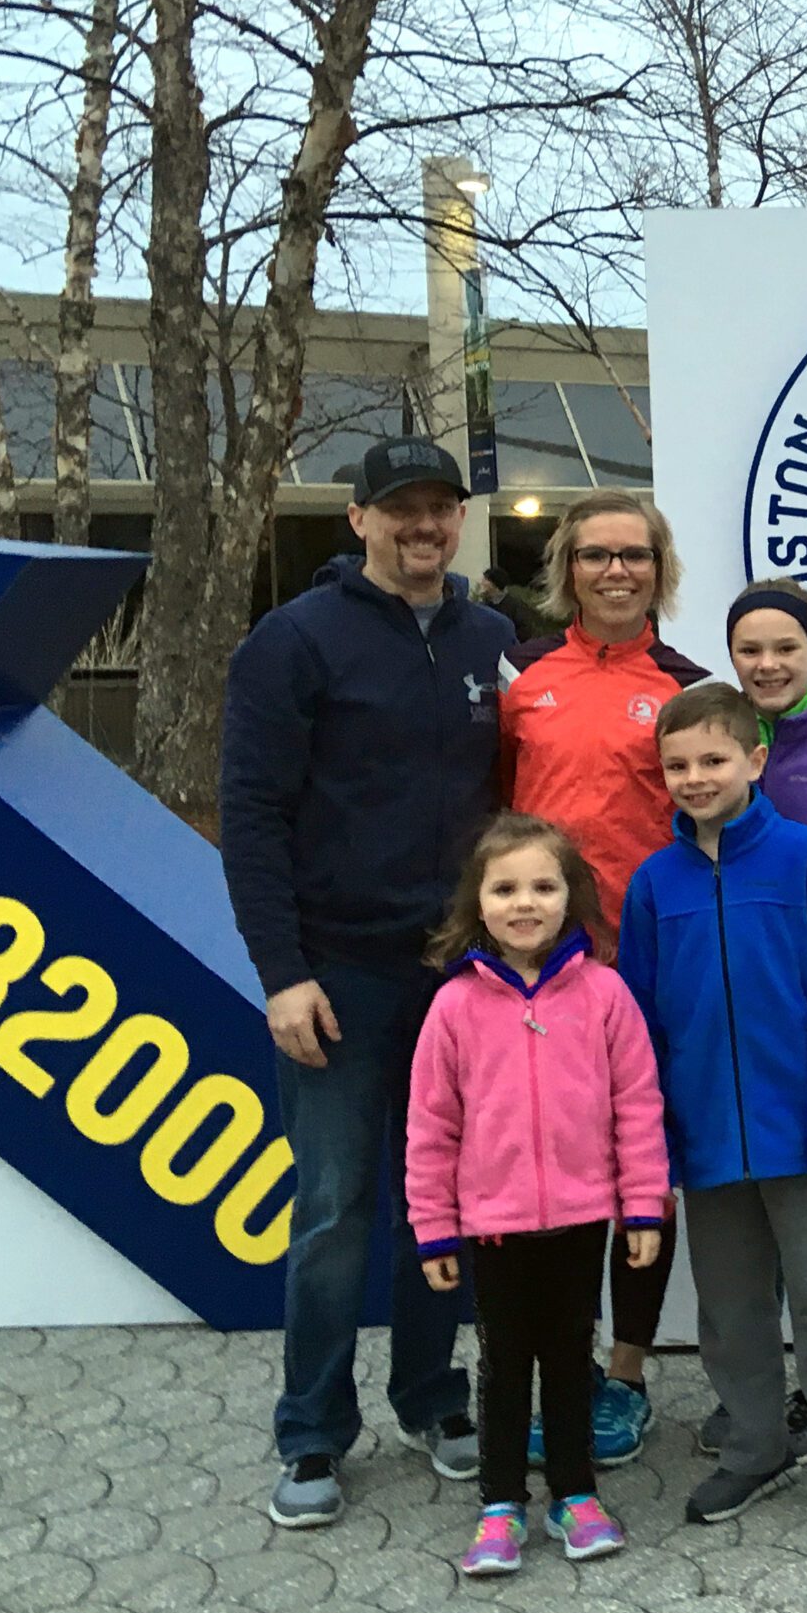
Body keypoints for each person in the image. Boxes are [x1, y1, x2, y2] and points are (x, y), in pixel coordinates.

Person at [220, 437, 513, 1528]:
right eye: (402, 510)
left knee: (446, 1202)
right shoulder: (293, 641)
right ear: (358, 520)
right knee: (338, 1206)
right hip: (339, 973)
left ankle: (434, 1398)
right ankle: (311, 1431)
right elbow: (250, 818)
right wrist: (282, 973)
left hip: (463, 974)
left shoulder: (490, 638)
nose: (423, 526)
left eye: (441, 508)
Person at [617, 683, 807, 1533]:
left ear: (756, 761)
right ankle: (755, 1447)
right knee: (729, 1306)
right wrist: (653, 1143)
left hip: (800, 1132)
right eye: (678, 764)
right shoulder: (654, 884)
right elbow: (641, 1026)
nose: (696, 777)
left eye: (713, 759)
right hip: (705, 1136)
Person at [497, 490, 707, 1465]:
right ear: (566, 570)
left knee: (642, 1177)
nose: (615, 571)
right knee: (555, 1173)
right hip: (541, 978)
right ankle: (563, 1363)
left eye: (633, 555)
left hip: (653, 971)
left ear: (659, 570)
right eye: (595, 556)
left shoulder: (690, 689)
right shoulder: (525, 682)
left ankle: (625, 1372)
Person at [406, 813, 671, 1575]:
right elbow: (431, 1125)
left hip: (583, 1221)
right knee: (501, 1364)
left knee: (568, 1357)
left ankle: (574, 1495)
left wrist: (642, 1204)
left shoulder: (606, 995)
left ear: (571, 897)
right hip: (492, 1226)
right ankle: (498, 1505)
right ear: (478, 903)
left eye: (544, 886)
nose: (526, 902)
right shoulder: (454, 1006)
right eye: (506, 887)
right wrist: (435, 1228)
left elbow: (637, 1104)